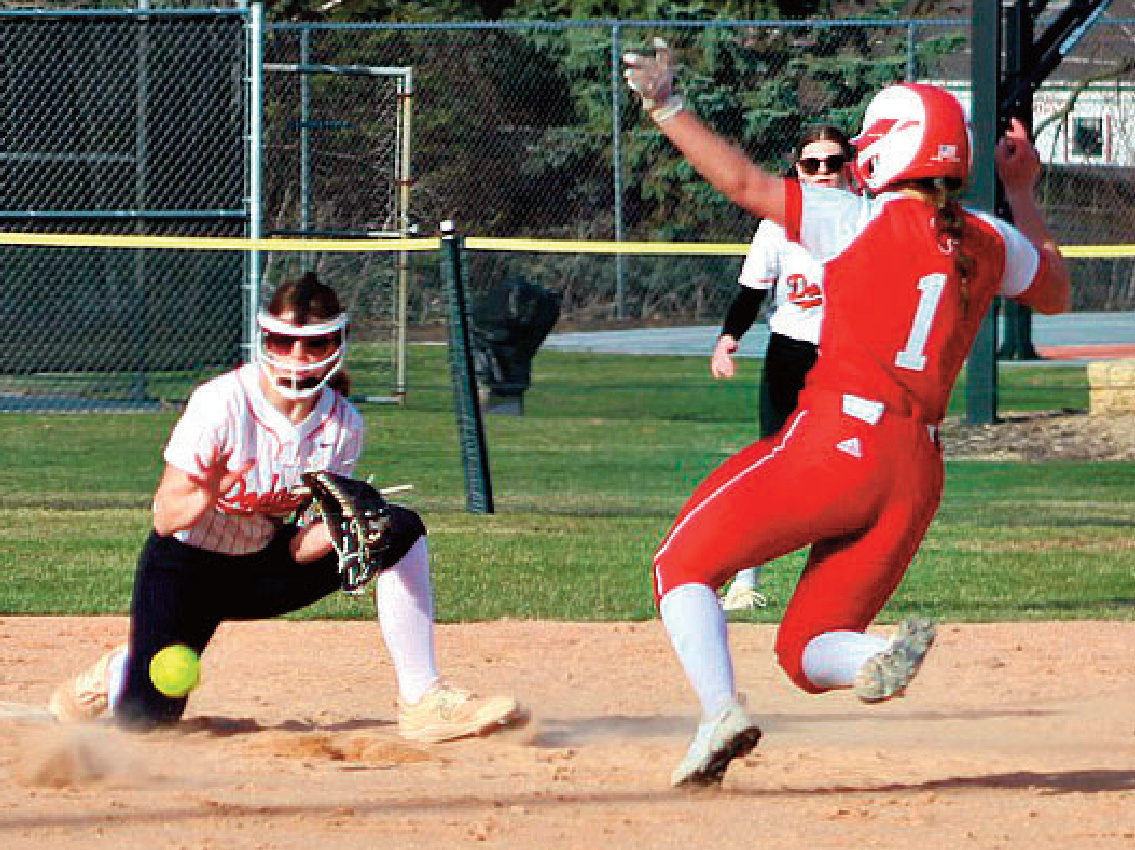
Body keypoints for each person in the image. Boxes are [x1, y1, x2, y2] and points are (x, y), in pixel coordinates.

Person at [624, 40, 1070, 788]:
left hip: (837, 439)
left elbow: (741, 182)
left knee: (681, 565)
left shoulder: (853, 217)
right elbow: (1055, 291)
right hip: (918, 469)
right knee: (808, 648)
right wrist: (1021, 189)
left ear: (892, 151)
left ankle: (717, 711)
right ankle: (872, 655)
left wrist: (665, 104)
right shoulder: (989, 240)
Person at [49, 271, 525, 743]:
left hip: (263, 567)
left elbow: (298, 550)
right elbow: (165, 518)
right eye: (282, 341)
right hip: (184, 570)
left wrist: (349, 529)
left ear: (338, 343)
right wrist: (209, 494)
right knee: (145, 722)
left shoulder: (342, 426)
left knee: (398, 528)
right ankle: (119, 670)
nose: (297, 357)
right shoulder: (220, 404)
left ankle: (424, 699)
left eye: (314, 344)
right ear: (264, 340)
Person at [714, 124, 855, 612]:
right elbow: (753, 291)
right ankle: (744, 580)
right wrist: (728, 339)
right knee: (772, 464)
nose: (822, 173)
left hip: (850, 358)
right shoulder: (779, 224)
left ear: (850, 166)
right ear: (796, 170)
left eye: (833, 163)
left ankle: (837, 586)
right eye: (810, 164)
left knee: (849, 469)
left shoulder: (870, 218)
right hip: (791, 353)